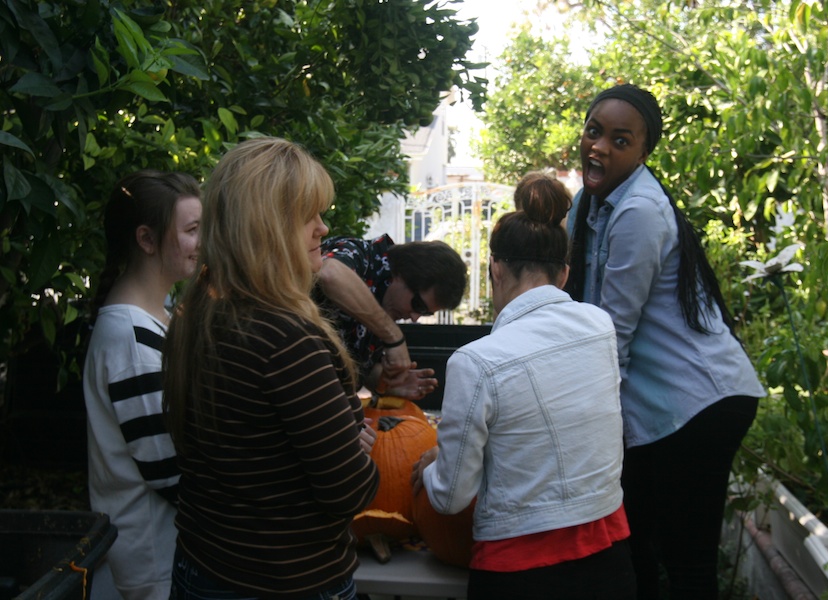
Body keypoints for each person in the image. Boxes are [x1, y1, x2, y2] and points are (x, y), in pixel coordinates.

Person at [565, 83, 766, 599]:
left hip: (700, 403)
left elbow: (612, 334)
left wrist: (580, 419)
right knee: (633, 548)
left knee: (687, 559)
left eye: (620, 139)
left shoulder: (639, 212)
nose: (600, 147)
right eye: (594, 131)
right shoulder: (588, 203)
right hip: (662, 412)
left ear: (642, 152)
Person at [162, 137, 379, 600]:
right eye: (308, 215)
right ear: (267, 227)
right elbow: (350, 491)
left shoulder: (198, 317)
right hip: (284, 582)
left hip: (203, 566)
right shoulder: (286, 339)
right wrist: (356, 437)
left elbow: (240, 458)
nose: (323, 228)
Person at [411, 173, 636, 600]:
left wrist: (430, 468)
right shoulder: (601, 328)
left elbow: (451, 498)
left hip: (521, 573)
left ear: (495, 268)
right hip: (609, 559)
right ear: (564, 274)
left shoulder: (476, 362)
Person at [82, 169, 202, 599]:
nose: (202, 241)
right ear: (146, 240)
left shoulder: (156, 317)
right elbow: (169, 472)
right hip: (153, 563)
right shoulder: (130, 339)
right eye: (191, 230)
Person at [315, 234, 467, 401]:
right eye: (418, 305)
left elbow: (359, 370)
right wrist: (393, 336)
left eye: (425, 313)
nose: (415, 317)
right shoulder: (360, 253)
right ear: (402, 274)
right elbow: (329, 272)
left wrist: (386, 381)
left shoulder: (386, 313)